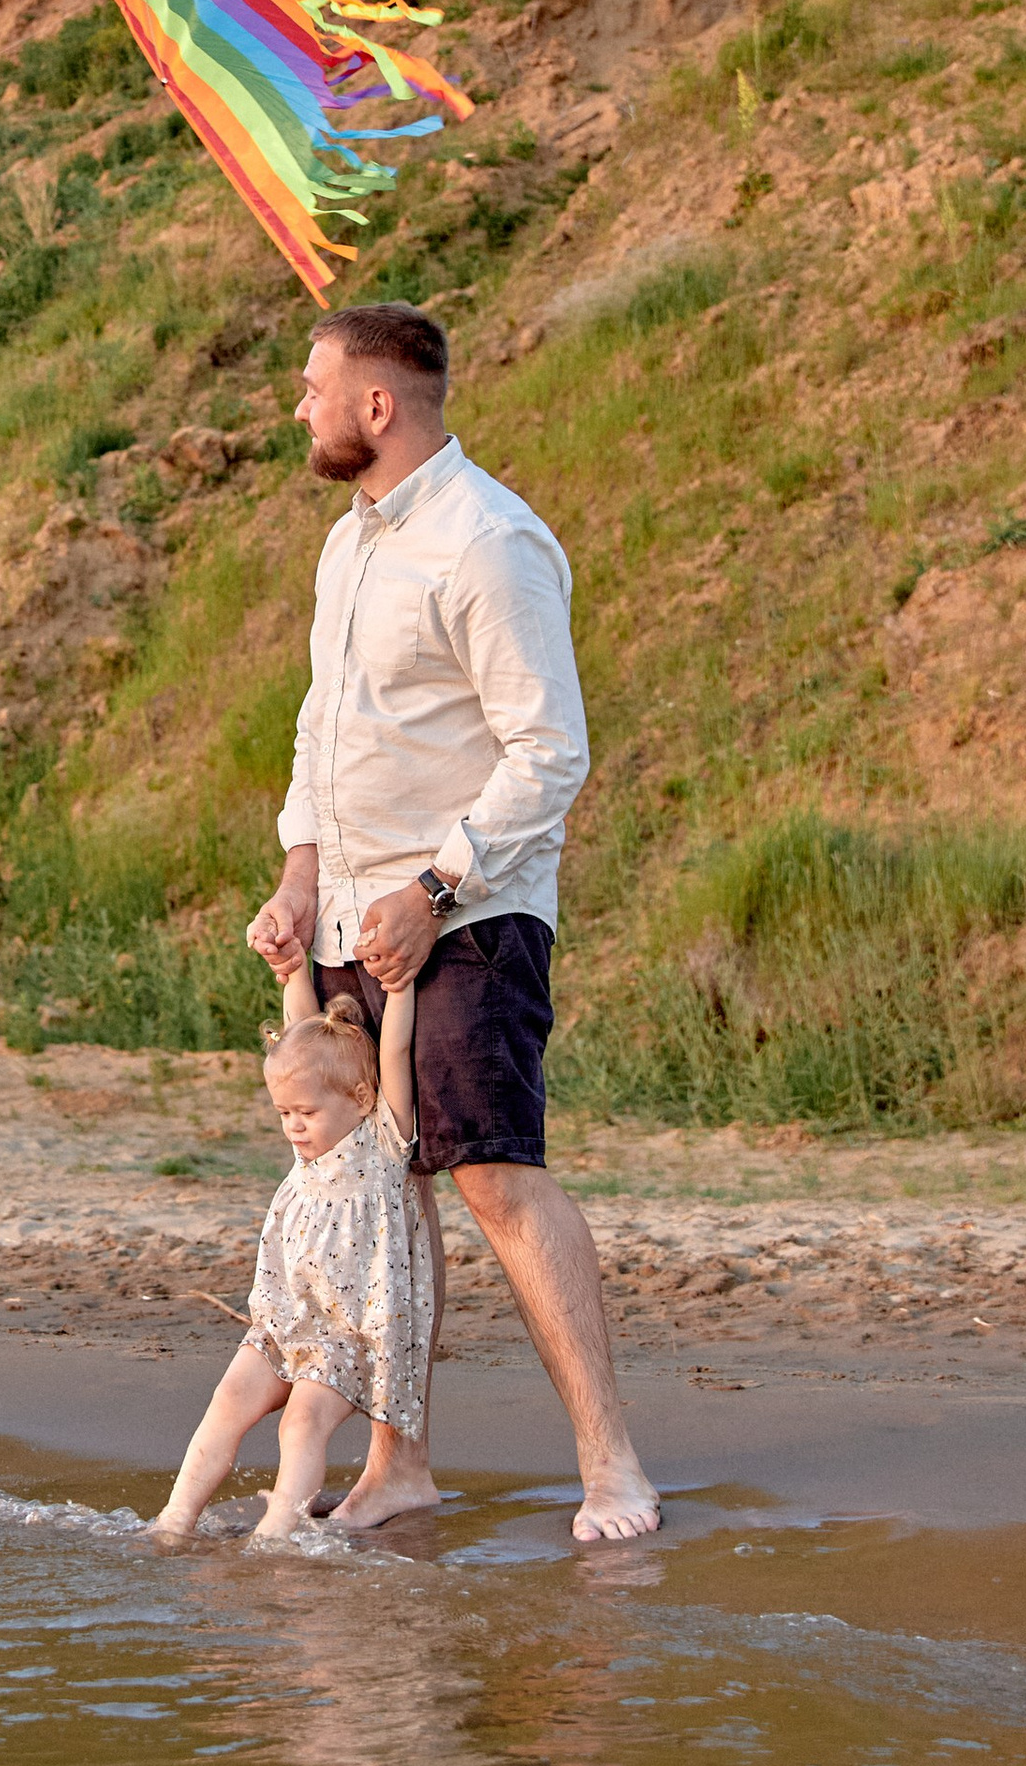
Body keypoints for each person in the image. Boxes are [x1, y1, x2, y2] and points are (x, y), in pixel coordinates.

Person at [247, 300, 658, 1542]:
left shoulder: (490, 540)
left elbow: (549, 752)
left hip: (468, 918)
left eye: (315, 388)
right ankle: (400, 1465)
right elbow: (324, 729)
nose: (300, 408)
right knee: (380, 1193)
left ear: (379, 405)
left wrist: (433, 893)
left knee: (491, 1176)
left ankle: (610, 1469)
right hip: (352, 921)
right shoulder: (346, 545)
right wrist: (298, 877)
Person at [154, 962, 435, 1543]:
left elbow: (398, 1047)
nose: (293, 1129)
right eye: (284, 1114)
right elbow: (302, 1028)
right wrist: (289, 971)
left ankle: (278, 1531)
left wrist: (400, 990)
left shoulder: (383, 1137)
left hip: (347, 1334)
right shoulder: (309, 1152)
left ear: (361, 1098)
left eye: (306, 1114)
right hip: (286, 1319)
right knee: (227, 1400)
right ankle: (176, 1518)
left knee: (302, 1422)